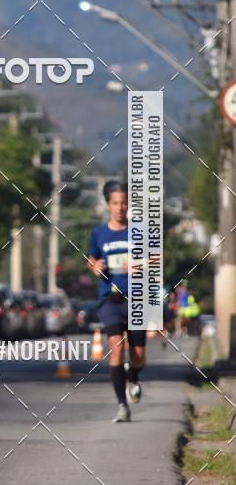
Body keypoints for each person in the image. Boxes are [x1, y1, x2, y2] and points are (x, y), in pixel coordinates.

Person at [87, 180, 147, 423]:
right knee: (116, 346)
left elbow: (155, 259)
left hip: (136, 300)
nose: (120, 207)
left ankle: (133, 375)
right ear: (108, 205)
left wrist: (139, 265)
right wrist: (95, 266)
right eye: (116, 203)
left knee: (139, 356)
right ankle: (122, 405)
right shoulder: (98, 234)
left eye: (124, 203)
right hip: (110, 300)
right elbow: (91, 260)